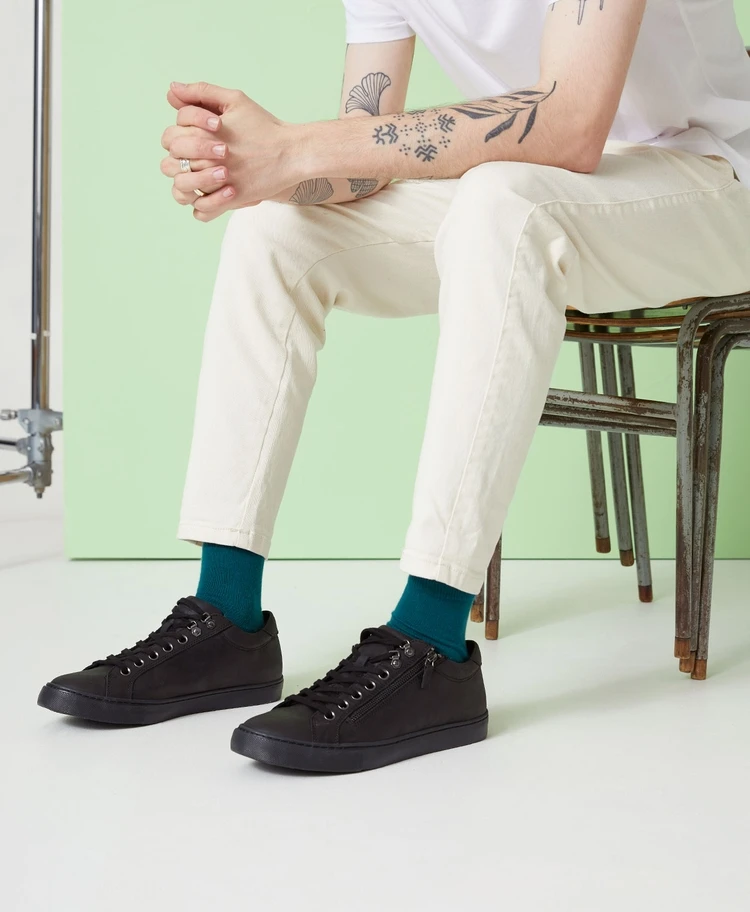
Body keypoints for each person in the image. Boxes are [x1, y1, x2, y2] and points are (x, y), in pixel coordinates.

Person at [38, 0, 750, 772]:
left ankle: (432, 643)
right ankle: (225, 617)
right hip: (549, 187)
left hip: (715, 181)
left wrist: (296, 145)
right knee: (276, 229)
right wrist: (257, 167)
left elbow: (570, 123)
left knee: (504, 205)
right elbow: (365, 154)